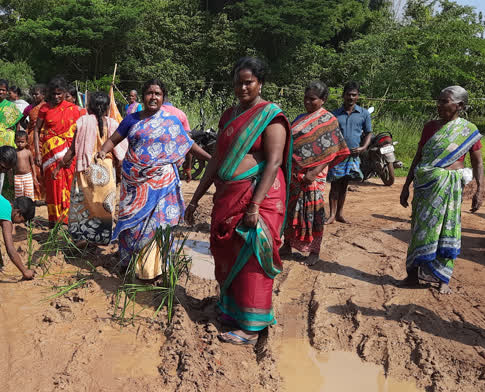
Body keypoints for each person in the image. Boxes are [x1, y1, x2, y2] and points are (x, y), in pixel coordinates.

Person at [185, 57, 291, 345]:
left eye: (248, 82)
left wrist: (255, 205)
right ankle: (233, 311)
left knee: (253, 256)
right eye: (238, 83)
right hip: (228, 195)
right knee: (228, 252)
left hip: (259, 196)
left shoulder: (271, 117)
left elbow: (273, 162)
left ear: (260, 83)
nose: (242, 87)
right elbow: (217, 159)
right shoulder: (229, 115)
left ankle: (252, 326)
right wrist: (195, 199)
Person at [97, 78, 210, 277]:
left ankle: (153, 269)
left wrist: (211, 159)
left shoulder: (171, 120)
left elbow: (188, 143)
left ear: (163, 97)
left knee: (158, 225)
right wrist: (101, 151)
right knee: (133, 226)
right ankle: (130, 264)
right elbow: (114, 139)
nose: (153, 97)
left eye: (157, 94)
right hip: (135, 184)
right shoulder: (132, 119)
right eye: (150, 93)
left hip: (162, 184)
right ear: (143, 96)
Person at [400, 85, 483, 294]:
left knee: (447, 228)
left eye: (444, 101)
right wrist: (405, 185)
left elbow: (478, 163)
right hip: (425, 186)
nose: (439, 105)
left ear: (459, 105)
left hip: (450, 188)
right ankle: (412, 275)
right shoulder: (429, 127)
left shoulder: (468, 131)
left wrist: (479, 189)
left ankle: (442, 278)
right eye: (439, 100)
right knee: (420, 229)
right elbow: (418, 157)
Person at [281, 81, 350, 266]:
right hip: (294, 174)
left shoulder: (329, 120)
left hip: (314, 175)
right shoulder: (299, 118)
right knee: (291, 209)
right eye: (306, 98)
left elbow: (332, 151)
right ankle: (287, 244)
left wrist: (313, 172)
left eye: (312, 99)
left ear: (323, 100)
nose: (308, 102)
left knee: (313, 211)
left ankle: (314, 251)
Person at [63, 91, 128, 245]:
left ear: (89, 107)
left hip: (85, 169)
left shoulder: (83, 122)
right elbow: (120, 154)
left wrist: (60, 165)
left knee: (84, 205)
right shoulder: (113, 124)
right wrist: (119, 175)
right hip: (106, 170)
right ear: (107, 108)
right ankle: (101, 238)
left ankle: (82, 238)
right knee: (104, 206)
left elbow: (72, 150)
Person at [34, 76, 84, 225]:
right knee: (52, 185)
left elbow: (80, 132)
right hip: (49, 154)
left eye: (59, 93)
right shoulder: (44, 108)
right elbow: (37, 130)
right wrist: (37, 152)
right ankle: (54, 219)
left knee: (68, 185)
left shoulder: (74, 110)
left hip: (68, 154)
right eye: (54, 94)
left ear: (64, 93)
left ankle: (67, 219)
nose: (56, 97)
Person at [326, 81, 372, 224]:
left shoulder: (363, 114)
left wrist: (363, 147)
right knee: (334, 185)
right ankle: (331, 215)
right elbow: (328, 134)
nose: (351, 97)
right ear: (343, 95)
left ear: (358, 97)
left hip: (353, 155)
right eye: (348, 95)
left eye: (354, 95)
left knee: (344, 185)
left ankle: (340, 214)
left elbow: (369, 133)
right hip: (338, 155)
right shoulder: (334, 114)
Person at [26, 84, 47, 201]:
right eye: (33, 94)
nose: (34, 96)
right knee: (33, 167)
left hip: (43, 140)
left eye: (37, 94)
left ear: (43, 95)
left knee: (43, 167)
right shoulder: (31, 108)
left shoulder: (47, 108)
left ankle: (44, 195)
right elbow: (30, 125)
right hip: (31, 140)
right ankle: (35, 194)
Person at [0, 79, 23, 147]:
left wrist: (17, 139)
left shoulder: (12, 106)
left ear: (7, 91)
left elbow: (17, 125)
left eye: (3, 90)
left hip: (9, 139)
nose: (1, 92)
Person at [14, 131, 37, 200]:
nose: (20, 144)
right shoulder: (14, 152)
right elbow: (11, 164)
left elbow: (32, 164)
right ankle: (20, 209)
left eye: (22, 142)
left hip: (28, 176)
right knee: (19, 196)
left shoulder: (28, 152)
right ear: (15, 141)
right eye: (18, 142)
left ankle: (30, 209)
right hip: (17, 177)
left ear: (26, 142)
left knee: (29, 194)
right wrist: (10, 175)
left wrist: (34, 175)